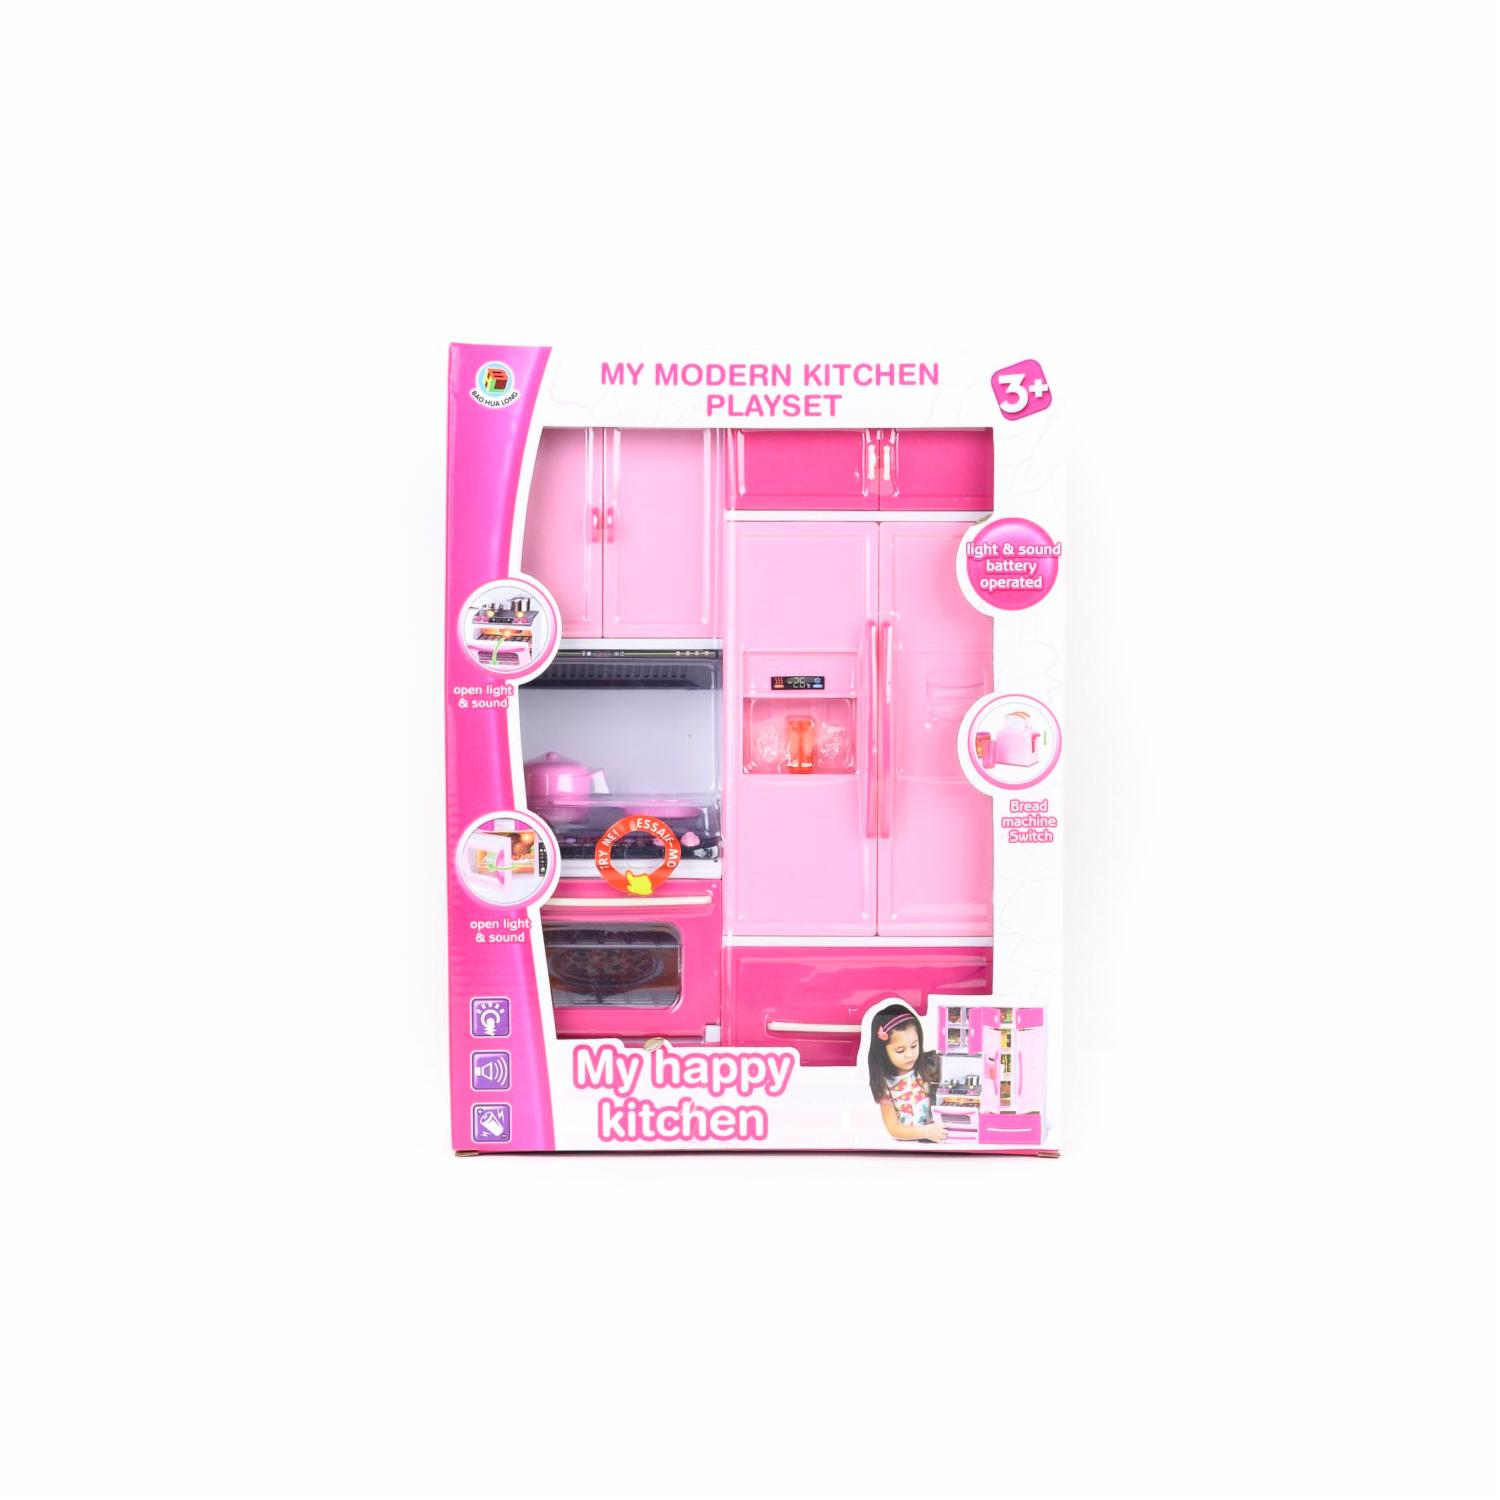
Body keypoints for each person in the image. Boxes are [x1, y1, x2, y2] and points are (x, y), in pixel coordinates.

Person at [867, 1004, 947, 1142]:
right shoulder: (885, 1083)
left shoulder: (930, 1064)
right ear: (883, 1051)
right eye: (900, 1050)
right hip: (907, 1147)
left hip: (939, 1139)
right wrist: (925, 1132)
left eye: (914, 1046)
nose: (909, 1054)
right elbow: (893, 1128)